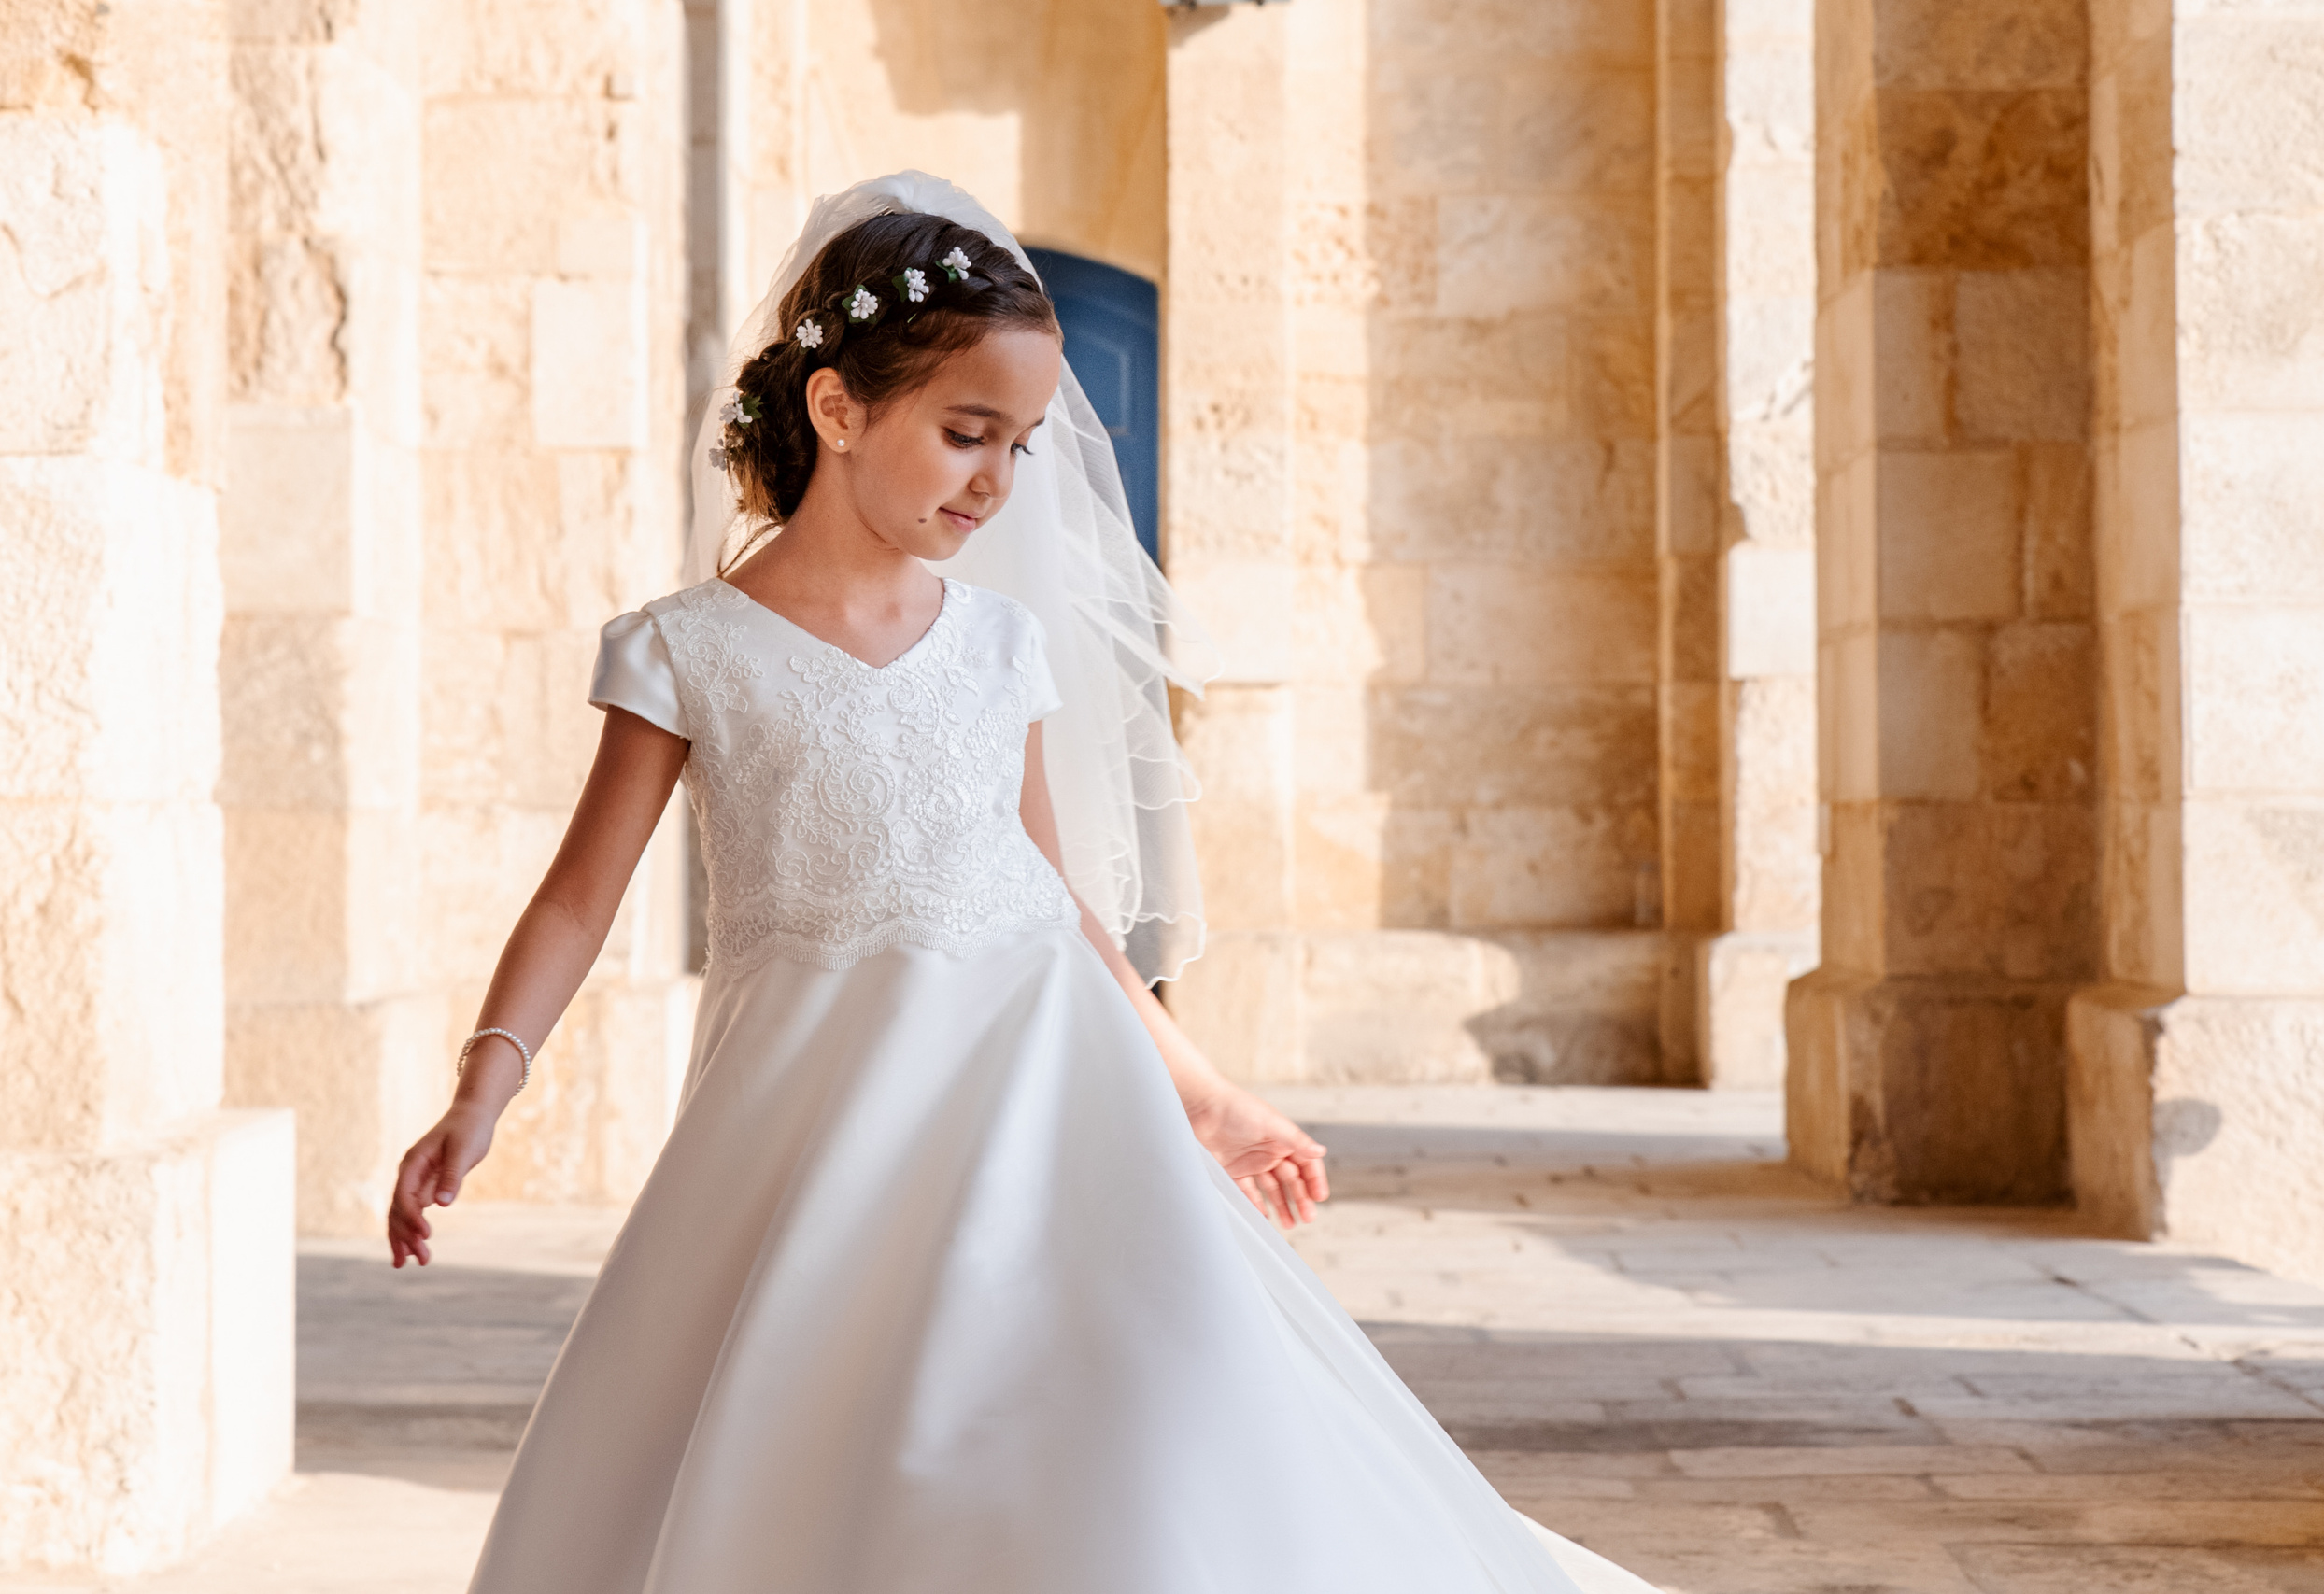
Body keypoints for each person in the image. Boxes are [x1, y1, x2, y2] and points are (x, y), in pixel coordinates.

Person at [385, 174, 1657, 1594]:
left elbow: (1056, 899)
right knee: (836, 1447)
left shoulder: (999, 647)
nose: (996, 481)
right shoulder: (687, 649)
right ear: (835, 410)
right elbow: (579, 897)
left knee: (1115, 1420)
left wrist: (1207, 1094)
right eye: (965, 434)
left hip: (1046, 1093)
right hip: (813, 1119)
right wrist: (484, 1085)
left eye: (1023, 445)